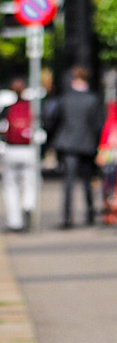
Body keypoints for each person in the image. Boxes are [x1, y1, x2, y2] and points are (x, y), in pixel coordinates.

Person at [47, 66, 105, 227]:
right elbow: (99, 125)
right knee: (87, 181)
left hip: (67, 144)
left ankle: (67, 216)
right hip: (87, 144)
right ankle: (90, 214)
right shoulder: (93, 99)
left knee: (69, 181)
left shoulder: (65, 98)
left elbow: (54, 121)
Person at [0, 78, 38, 231]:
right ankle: (28, 204)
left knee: (10, 186)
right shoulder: (33, 108)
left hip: (11, 150)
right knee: (30, 182)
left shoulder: (8, 108)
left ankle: (14, 221)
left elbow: (0, 128)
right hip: (30, 150)